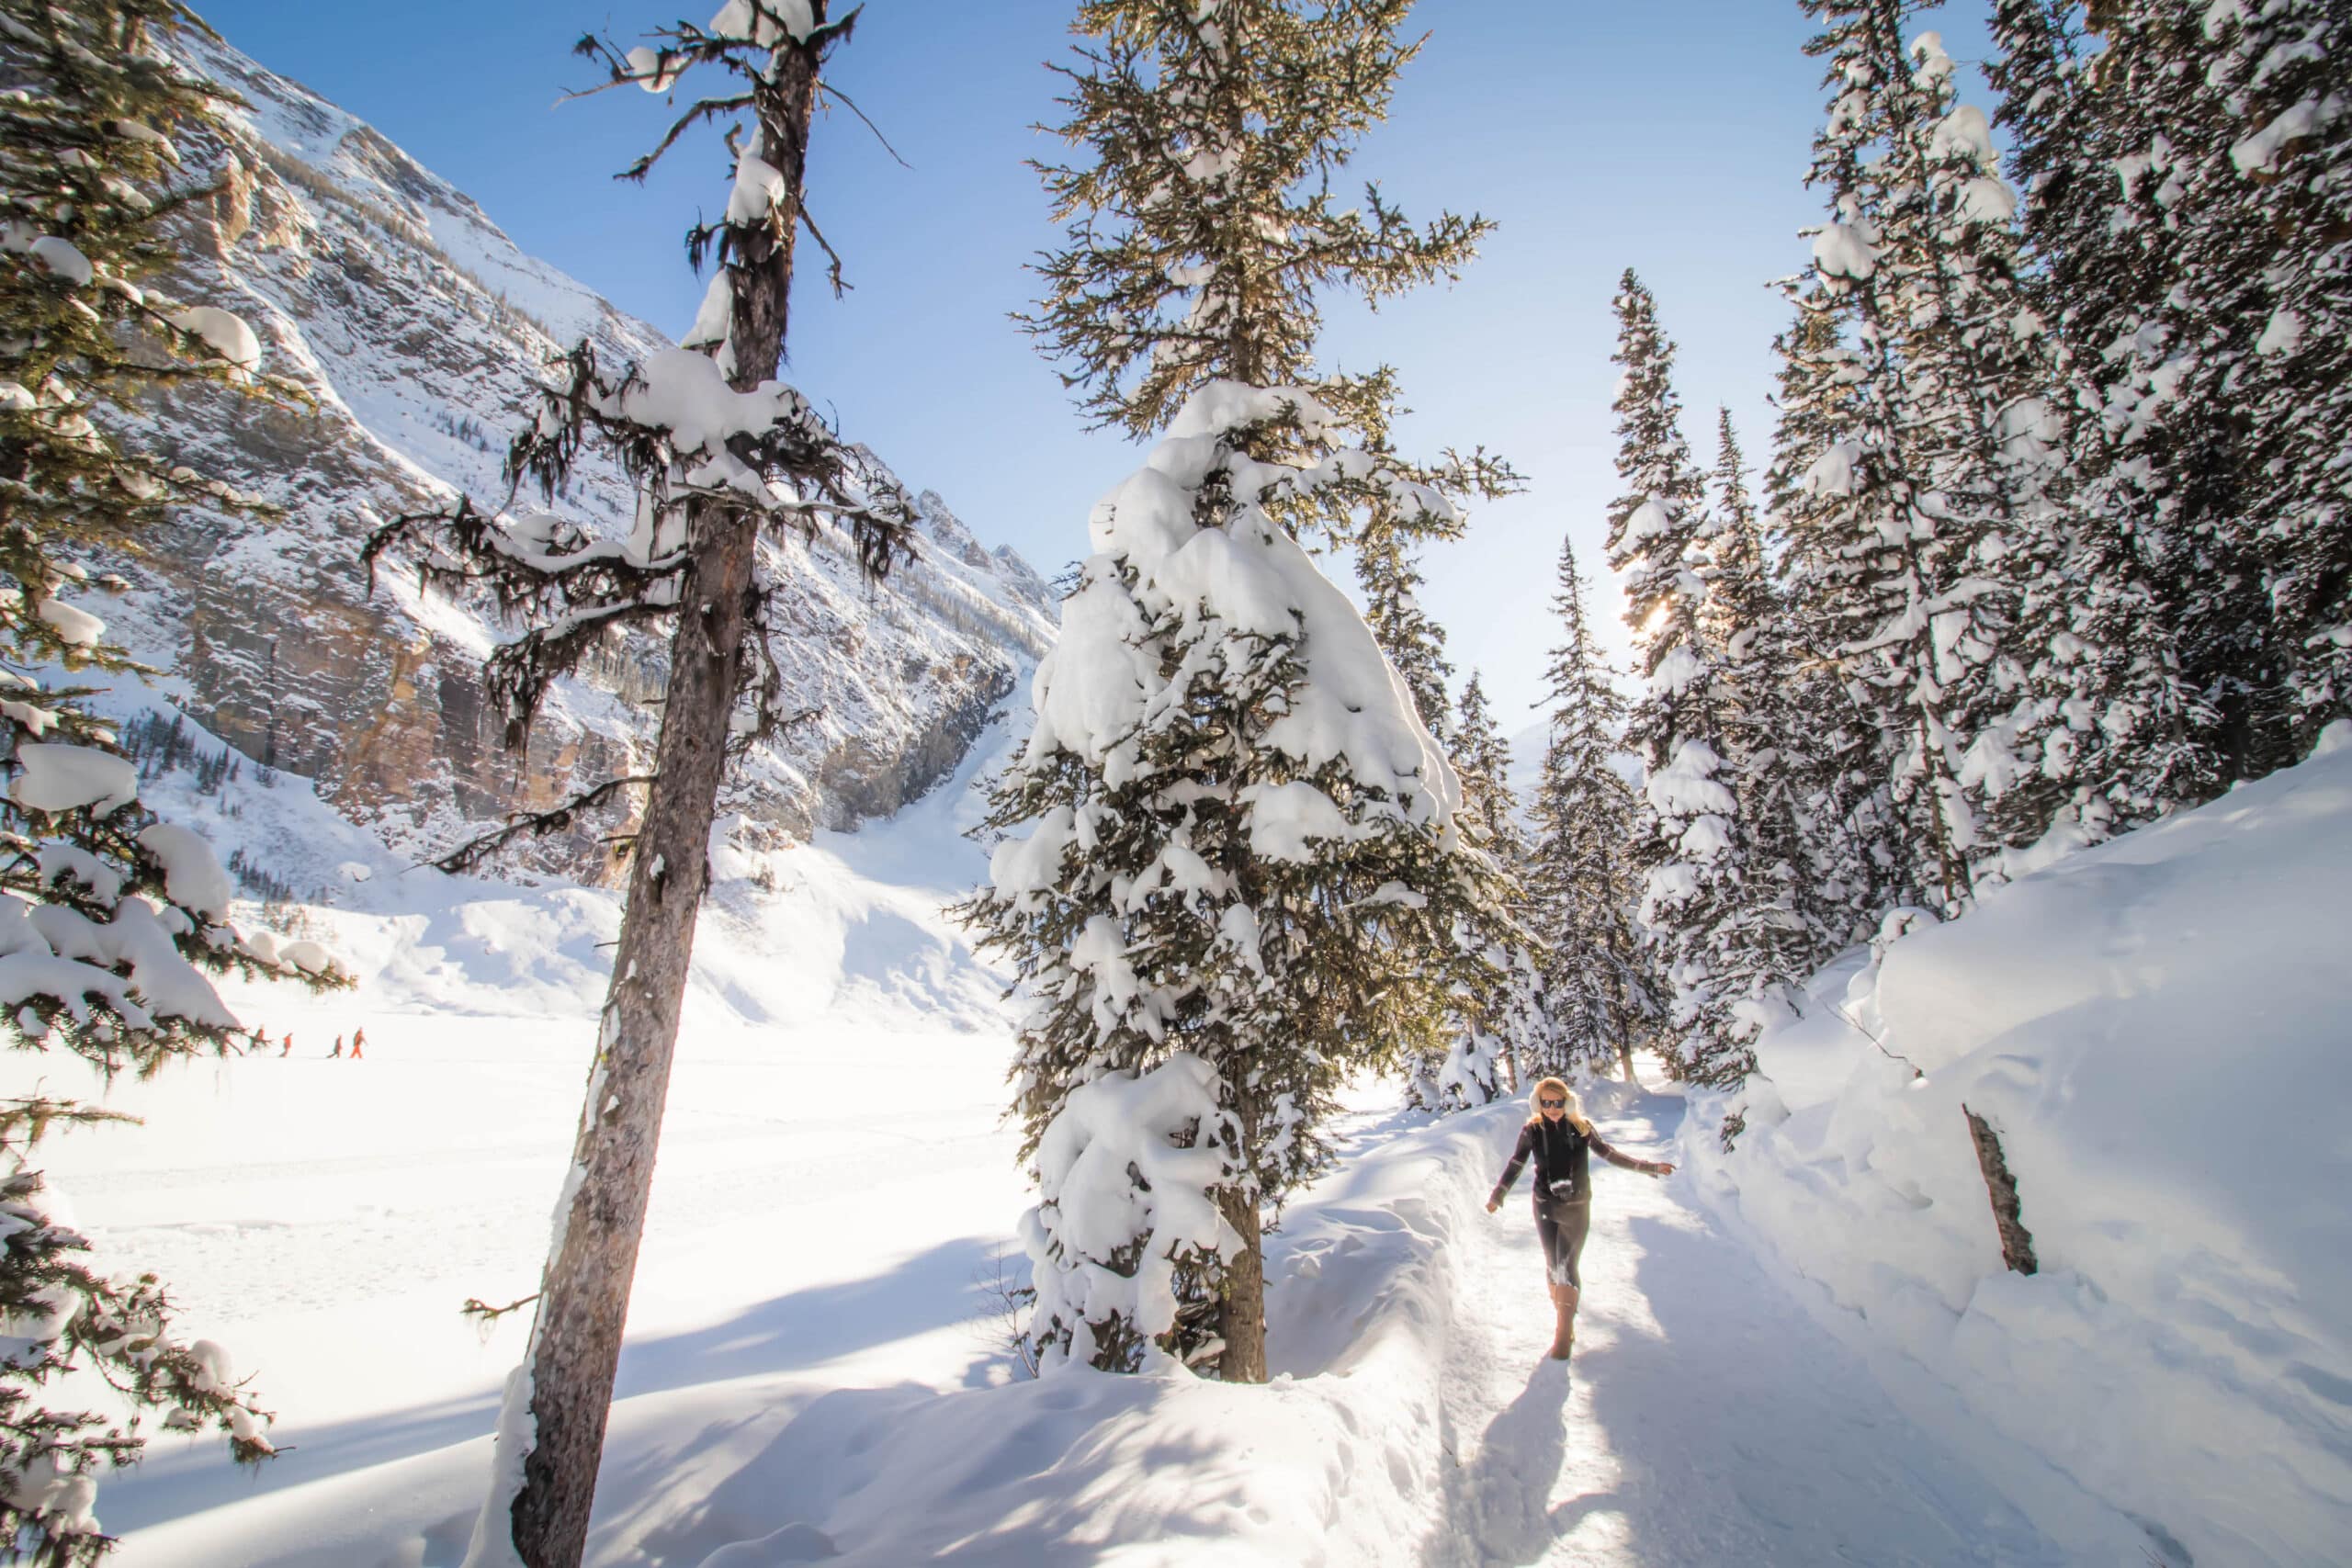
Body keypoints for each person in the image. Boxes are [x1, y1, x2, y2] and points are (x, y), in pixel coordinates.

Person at [1486, 1077, 1673, 1360]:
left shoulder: (1581, 1129)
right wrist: (1499, 1193)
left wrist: (1648, 1167)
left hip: (1576, 1206)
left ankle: (1563, 1330)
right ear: (1538, 1104)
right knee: (1552, 1264)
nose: (1552, 1108)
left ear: (1567, 1102)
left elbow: (1610, 1154)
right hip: (1544, 1205)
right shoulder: (1531, 1131)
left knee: (1567, 1264)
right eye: (1546, 1103)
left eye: (1557, 1102)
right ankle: (1564, 1314)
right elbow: (1517, 1162)